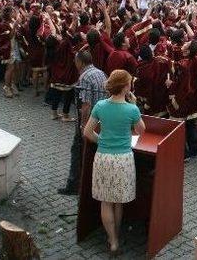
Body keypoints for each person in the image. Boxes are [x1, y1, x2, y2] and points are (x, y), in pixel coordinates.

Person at [83, 70, 145, 256]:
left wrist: (101, 140)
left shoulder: (101, 106)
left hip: (104, 157)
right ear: (126, 87)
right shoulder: (131, 109)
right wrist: (135, 106)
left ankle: (113, 241)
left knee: (106, 201)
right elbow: (141, 130)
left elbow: (87, 132)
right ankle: (116, 234)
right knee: (119, 201)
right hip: (124, 159)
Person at [59, 50, 107, 195]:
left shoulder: (84, 77)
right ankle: (89, 183)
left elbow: (85, 105)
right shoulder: (100, 73)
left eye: (75, 61)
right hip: (101, 119)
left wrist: (83, 126)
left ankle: (74, 185)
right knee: (91, 151)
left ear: (80, 62)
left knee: (77, 151)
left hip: (89, 120)